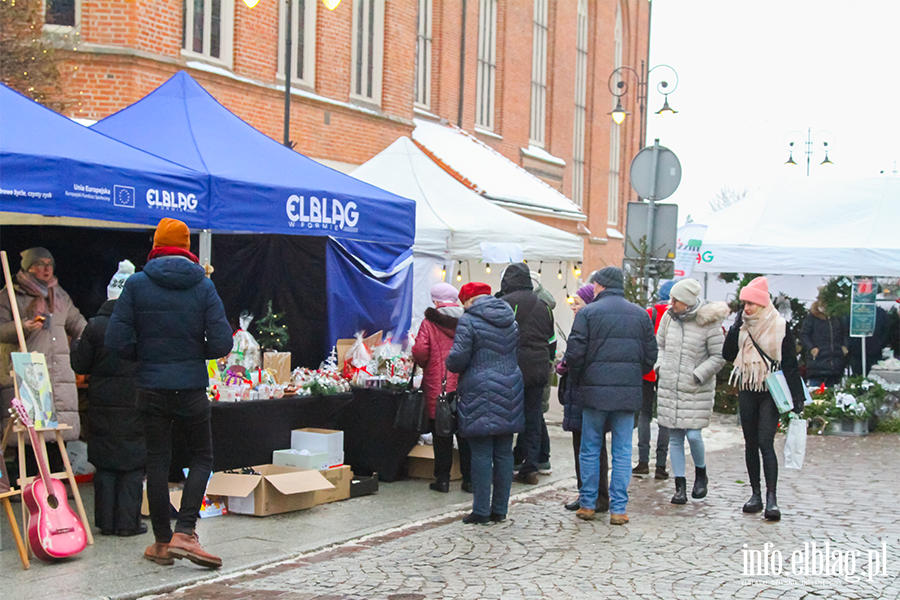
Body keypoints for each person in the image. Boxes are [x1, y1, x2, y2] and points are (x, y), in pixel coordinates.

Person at [106, 218, 233, 568]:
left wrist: (145, 355)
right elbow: (223, 342)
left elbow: (115, 341)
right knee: (201, 457)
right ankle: (186, 531)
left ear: (156, 244)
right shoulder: (203, 286)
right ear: (187, 247)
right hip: (190, 387)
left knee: (157, 461)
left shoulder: (136, 285)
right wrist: (192, 354)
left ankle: (162, 541)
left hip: (150, 386)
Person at [564, 267, 657, 525]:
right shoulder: (640, 315)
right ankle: (618, 509)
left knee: (590, 448)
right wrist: (633, 375)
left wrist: (583, 377)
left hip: (593, 392)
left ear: (601, 285)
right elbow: (651, 355)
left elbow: (574, 353)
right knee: (623, 450)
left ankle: (587, 504)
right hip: (627, 394)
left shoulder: (588, 313)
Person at [71, 260, 146, 537]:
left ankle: (105, 521)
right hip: (136, 402)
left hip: (101, 403)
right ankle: (128, 523)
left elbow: (80, 365)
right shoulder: (141, 326)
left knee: (105, 464)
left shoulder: (94, 326)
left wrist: (78, 345)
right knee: (132, 463)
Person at [723, 276, 804, 521]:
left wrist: (797, 398)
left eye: (751, 303)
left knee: (765, 442)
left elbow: (790, 363)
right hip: (748, 387)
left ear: (763, 304)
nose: (747, 308)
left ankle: (772, 498)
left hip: (771, 390)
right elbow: (728, 355)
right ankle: (755, 494)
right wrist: (736, 327)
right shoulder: (743, 327)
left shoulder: (780, 326)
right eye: (744, 303)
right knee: (750, 443)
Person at [446, 282, 524, 525]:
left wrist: (449, 362)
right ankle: (500, 509)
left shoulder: (468, 321)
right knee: (503, 451)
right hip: (510, 386)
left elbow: (458, 359)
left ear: (468, 300)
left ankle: (480, 510)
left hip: (479, 389)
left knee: (480, 451)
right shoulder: (511, 320)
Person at [1, 248, 87, 462]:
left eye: (50, 263)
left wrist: (93, 335)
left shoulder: (59, 295)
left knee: (60, 433)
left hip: (59, 375)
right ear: (28, 268)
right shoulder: (10, 295)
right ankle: (36, 490)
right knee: (31, 436)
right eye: (40, 263)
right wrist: (22, 326)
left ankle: (59, 488)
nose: (47, 268)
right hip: (29, 372)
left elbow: (78, 324)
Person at [655, 278, 728, 505]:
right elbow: (659, 345)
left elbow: (720, 355)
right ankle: (680, 486)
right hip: (670, 386)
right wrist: (660, 366)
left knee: (694, 435)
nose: (671, 303)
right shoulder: (668, 318)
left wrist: (698, 374)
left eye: (676, 300)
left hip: (696, 388)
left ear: (687, 302)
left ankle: (701, 473)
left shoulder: (709, 323)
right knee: (674, 437)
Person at [496, 263, 555, 486]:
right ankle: (530, 468)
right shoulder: (544, 306)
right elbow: (551, 342)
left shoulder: (504, 304)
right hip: (539, 370)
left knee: (506, 417)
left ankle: (503, 465)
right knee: (533, 419)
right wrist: (547, 364)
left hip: (511, 369)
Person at [412, 283, 470, 493]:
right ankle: (469, 479)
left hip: (439, 386)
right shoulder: (468, 320)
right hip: (465, 385)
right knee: (465, 433)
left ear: (436, 301)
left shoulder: (429, 322)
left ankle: (443, 480)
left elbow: (420, 351)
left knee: (442, 434)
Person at [558, 284, 610, 513]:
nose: (573, 308)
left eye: (577, 304)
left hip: (585, 392)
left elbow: (578, 357)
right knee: (584, 444)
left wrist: (566, 365)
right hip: (580, 392)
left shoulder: (589, 325)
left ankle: (595, 495)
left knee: (590, 446)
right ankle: (588, 493)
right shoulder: (585, 323)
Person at [634, 279, 673, 479]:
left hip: (648, 371)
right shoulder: (677, 315)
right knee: (664, 416)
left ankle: (642, 461)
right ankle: (660, 465)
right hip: (667, 371)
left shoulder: (650, 313)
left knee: (644, 414)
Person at [800, 298, 848, 387]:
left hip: (835, 366)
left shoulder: (837, 318)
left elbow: (845, 333)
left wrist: (844, 346)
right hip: (817, 366)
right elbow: (804, 335)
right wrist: (811, 348)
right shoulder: (812, 317)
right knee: (815, 393)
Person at [846, 305, 890, 377]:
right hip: (856, 353)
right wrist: (850, 345)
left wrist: (879, 345)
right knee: (857, 377)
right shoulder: (853, 311)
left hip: (874, 353)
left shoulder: (880, 312)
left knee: (874, 378)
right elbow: (846, 329)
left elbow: (886, 331)